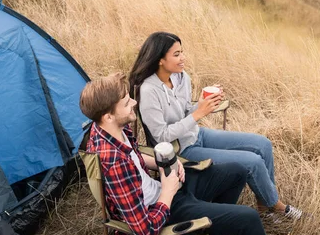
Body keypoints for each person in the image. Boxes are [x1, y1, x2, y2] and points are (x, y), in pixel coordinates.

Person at [79, 73, 320, 235]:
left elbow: (137, 158)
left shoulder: (111, 131)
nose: (133, 102)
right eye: (125, 100)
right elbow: (145, 230)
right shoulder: (111, 159)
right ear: (108, 115)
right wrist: (168, 189)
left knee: (237, 171)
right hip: (162, 210)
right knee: (248, 219)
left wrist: (171, 164)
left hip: (164, 189)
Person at [129, 32, 301, 221]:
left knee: (263, 144)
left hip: (196, 135)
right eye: (176, 54)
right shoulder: (148, 91)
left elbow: (186, 110)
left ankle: (263, 206)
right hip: (181, 150)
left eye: (182, 52)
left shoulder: (181, 77)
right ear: (160, 59)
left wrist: (203, 103)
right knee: (253, 162)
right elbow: (161, 136)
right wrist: (198, 113)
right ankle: (276, 205)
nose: (183, 58)